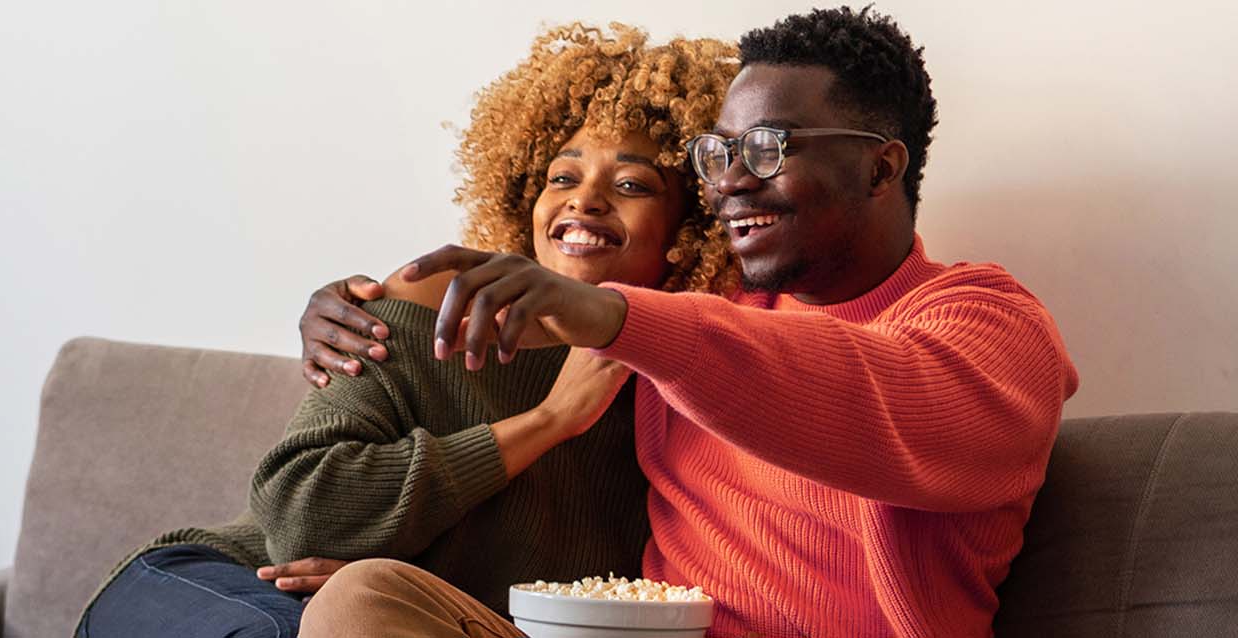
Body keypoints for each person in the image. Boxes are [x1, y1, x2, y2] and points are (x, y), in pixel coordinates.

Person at [296, 8, 1080, 638]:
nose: (731, 182)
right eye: (718, 153)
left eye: (769, 148)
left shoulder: (989, 325)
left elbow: (869, 392)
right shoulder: (702, 305)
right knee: (365, 601)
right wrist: (352, 303)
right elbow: (576, 255)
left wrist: (614, 314)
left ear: (881, 166)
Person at [76, 23, 739, 638]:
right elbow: (299, 517)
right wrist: (551, 419)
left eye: (631, 183)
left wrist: (399, 596)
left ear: (694, 226)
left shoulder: (691, 384)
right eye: (561, 176)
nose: (583, 199)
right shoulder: (420, 316)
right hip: (224, 587)